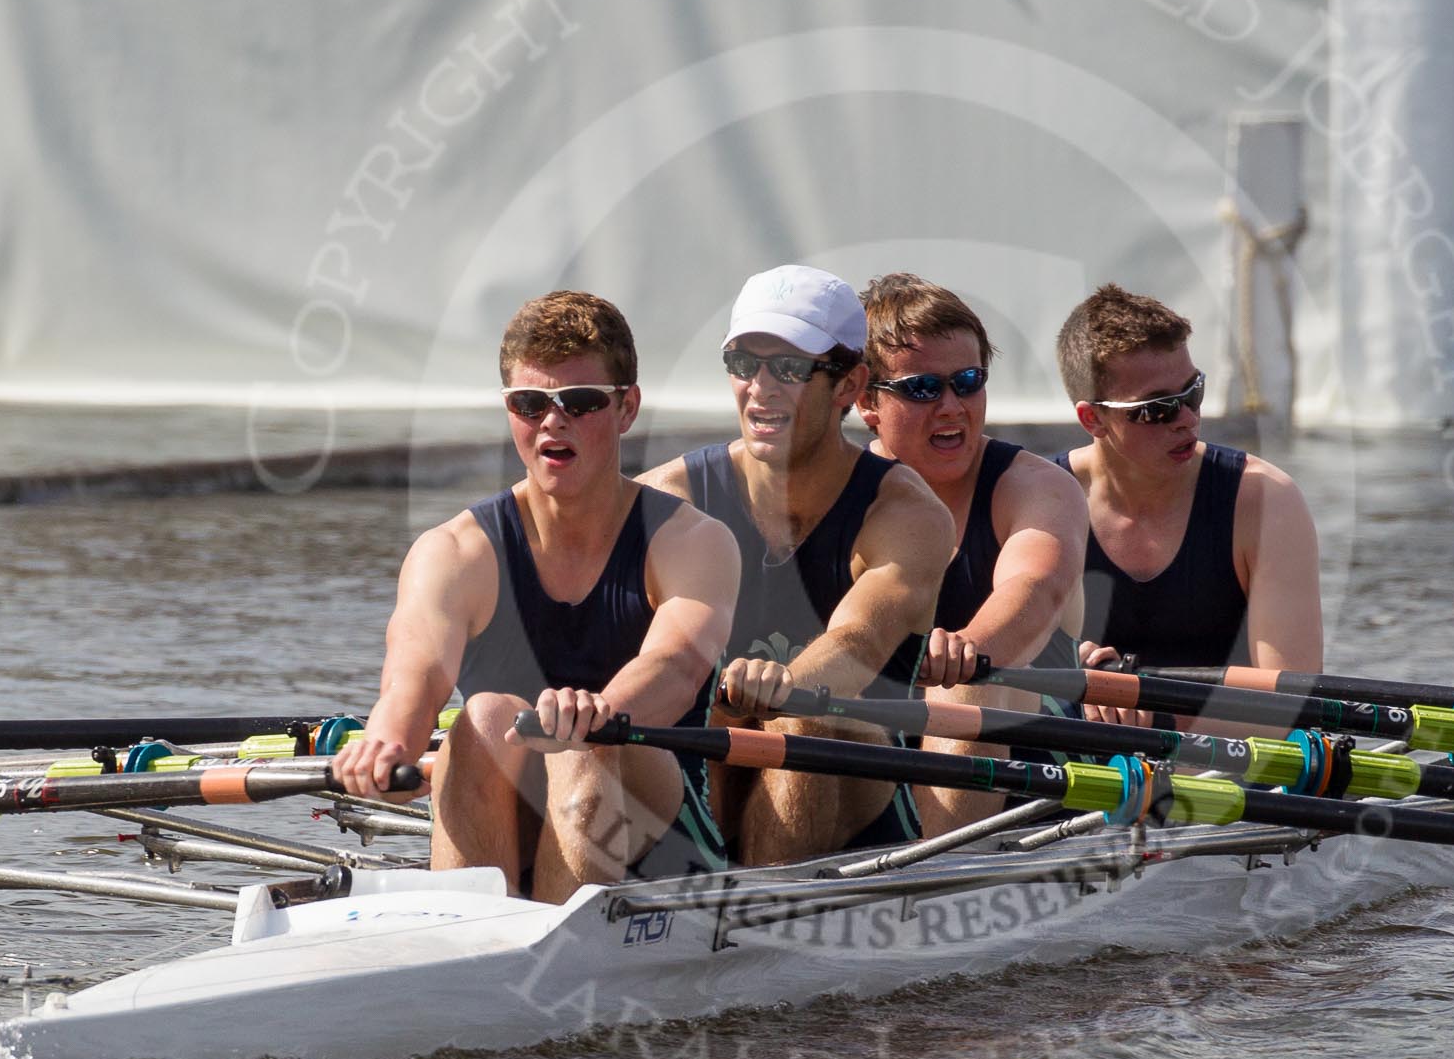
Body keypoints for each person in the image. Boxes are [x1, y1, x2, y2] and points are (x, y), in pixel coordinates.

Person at [333, 292, 739, 903]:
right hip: (513, 809)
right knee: (486, 715)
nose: (553, 422)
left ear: (626, 408)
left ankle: (541, 952)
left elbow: (675, 667)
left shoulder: (691, 542)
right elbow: (412, 681)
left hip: (661, 838)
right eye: (530, 404)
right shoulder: (454, 553)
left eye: (579, 403)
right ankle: (478, 940)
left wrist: (597, 712)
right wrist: (387, 746)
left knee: (580, 746)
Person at [641, 264, 953, 866]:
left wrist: (775, 688)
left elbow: (859, 642)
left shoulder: (905, 513)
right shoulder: (667, 499)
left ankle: (760, 926)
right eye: (743, 365)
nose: (760, 387)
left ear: (847, 385)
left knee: (801, 723)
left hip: (856, 794)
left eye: (787, 368)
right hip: (704, 768)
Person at [855, 273, 1091, 833]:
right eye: (922, 389)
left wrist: (966, 651)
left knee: (970, 685)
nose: (952, 407)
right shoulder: (836, 498)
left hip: (1032, 765)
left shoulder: (1037, 489)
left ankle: (935, 885)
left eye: (967, 381)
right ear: (866, 400)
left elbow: (1032, 588)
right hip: (876, 748)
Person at [1054, 284, 1322, 725]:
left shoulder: (1265, 500)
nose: (1188, 419)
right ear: (1092, 419)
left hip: (1226, 768)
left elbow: (1289, 702)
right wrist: (1060, 673)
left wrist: (1146, 709)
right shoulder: (1042, 499)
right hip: (1074, 760)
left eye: (1192, 392)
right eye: (1157, 409)